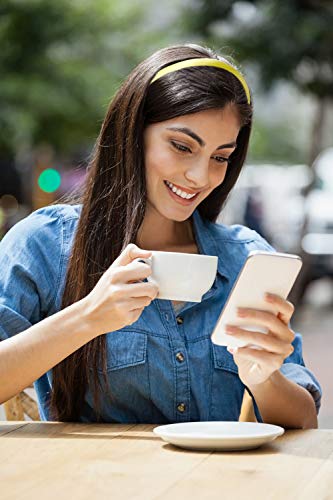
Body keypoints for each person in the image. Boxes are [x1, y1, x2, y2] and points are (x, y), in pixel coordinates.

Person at [0, 44, 321, 426]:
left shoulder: (246, 258)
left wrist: (262, 377)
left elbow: (305, 422)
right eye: (182, 147)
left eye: (220, 157)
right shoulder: (46, 244)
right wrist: (88, 318)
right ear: (132, 133)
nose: (201, 177)